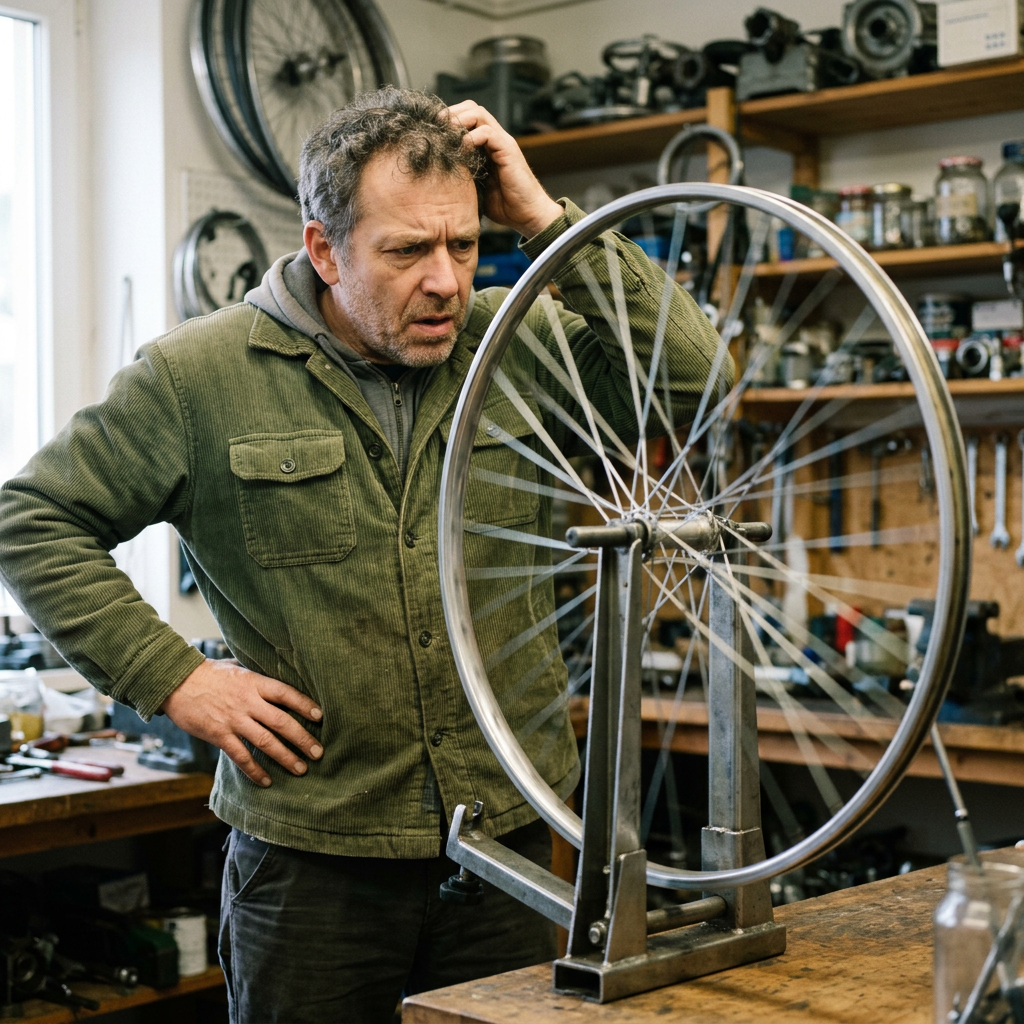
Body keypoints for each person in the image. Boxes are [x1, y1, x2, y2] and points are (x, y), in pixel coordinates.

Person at [0, 88, 727, 1022]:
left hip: (507, 849)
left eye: (463, 246)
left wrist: (547, 219)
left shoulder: (517, 343)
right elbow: (32, 519)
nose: (446, 283)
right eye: (406, 251)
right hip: (313, 870)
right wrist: (175, 678)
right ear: (322, 249)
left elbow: (697, 380)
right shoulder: (199, 378)